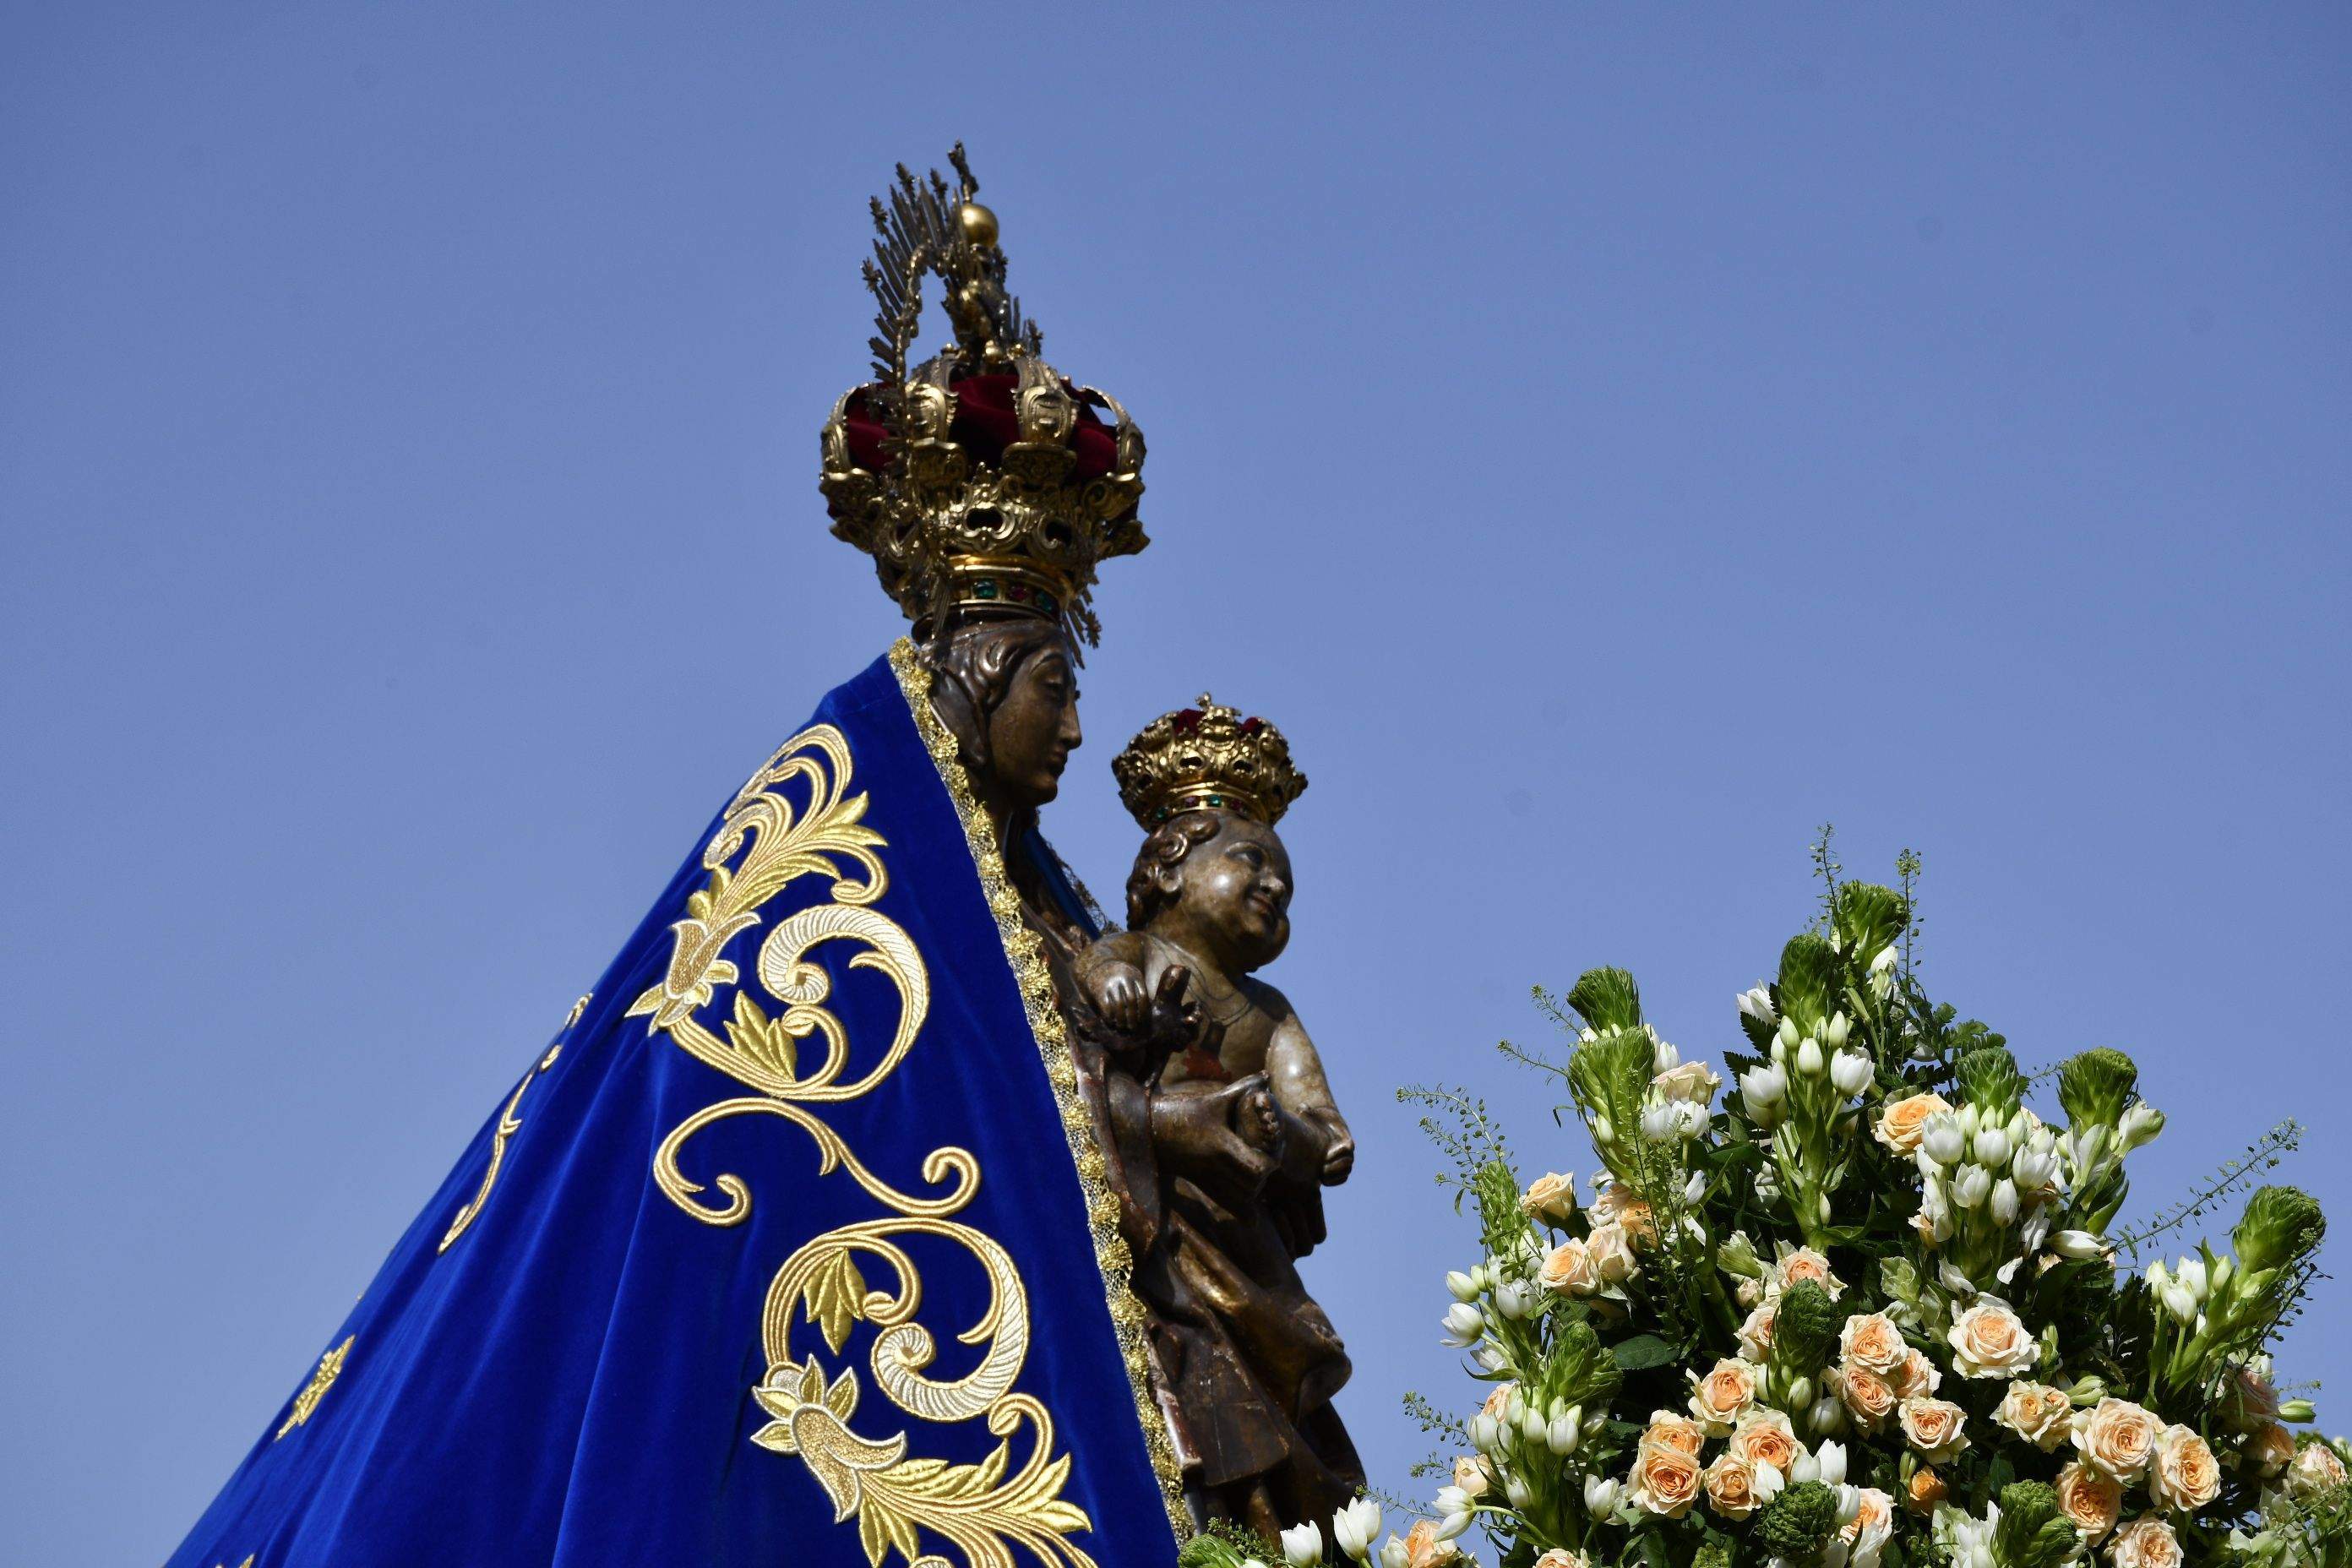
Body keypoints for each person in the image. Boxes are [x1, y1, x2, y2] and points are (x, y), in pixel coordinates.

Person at [166, 149, 1189, 1568]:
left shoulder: (1046, 895)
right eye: (1048, 686)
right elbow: (731, 1133)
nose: (1077, 723)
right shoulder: (838, 832)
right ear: (978, 669)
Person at [1073, 695, 1365, 1538]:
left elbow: (1331, 1137)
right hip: (1161, 1234)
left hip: (1246, 1255)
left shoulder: (1269, 1014)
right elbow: (1096, 982)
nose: (1275, 887)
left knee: (1267, 1405)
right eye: (1252, 863)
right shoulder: (1127, 951)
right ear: (1167, 864)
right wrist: (1112, 984)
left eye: (1287, 885)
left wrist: (1281, 1129)